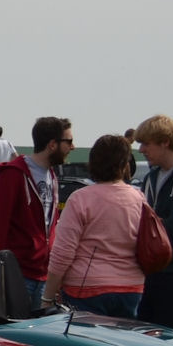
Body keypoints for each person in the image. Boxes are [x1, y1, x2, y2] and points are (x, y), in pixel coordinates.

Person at [43, 134, 150, 318]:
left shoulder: (81, 199)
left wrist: (47, 296)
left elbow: (63, 252)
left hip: (86, 288)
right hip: (131, 288)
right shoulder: (139, 198)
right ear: (125, 164)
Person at [0, 117, 72, 309]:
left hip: (45, 275)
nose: (73, 147)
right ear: (52, 145)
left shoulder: (52, 175)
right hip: (18, 274)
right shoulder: (13, 174)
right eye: (68, 141)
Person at [136, 115, 173, 325]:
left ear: (165, 142)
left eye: (146, 143)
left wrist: (150, 227)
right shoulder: (150, 178)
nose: (141, 149)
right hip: (149, 273)